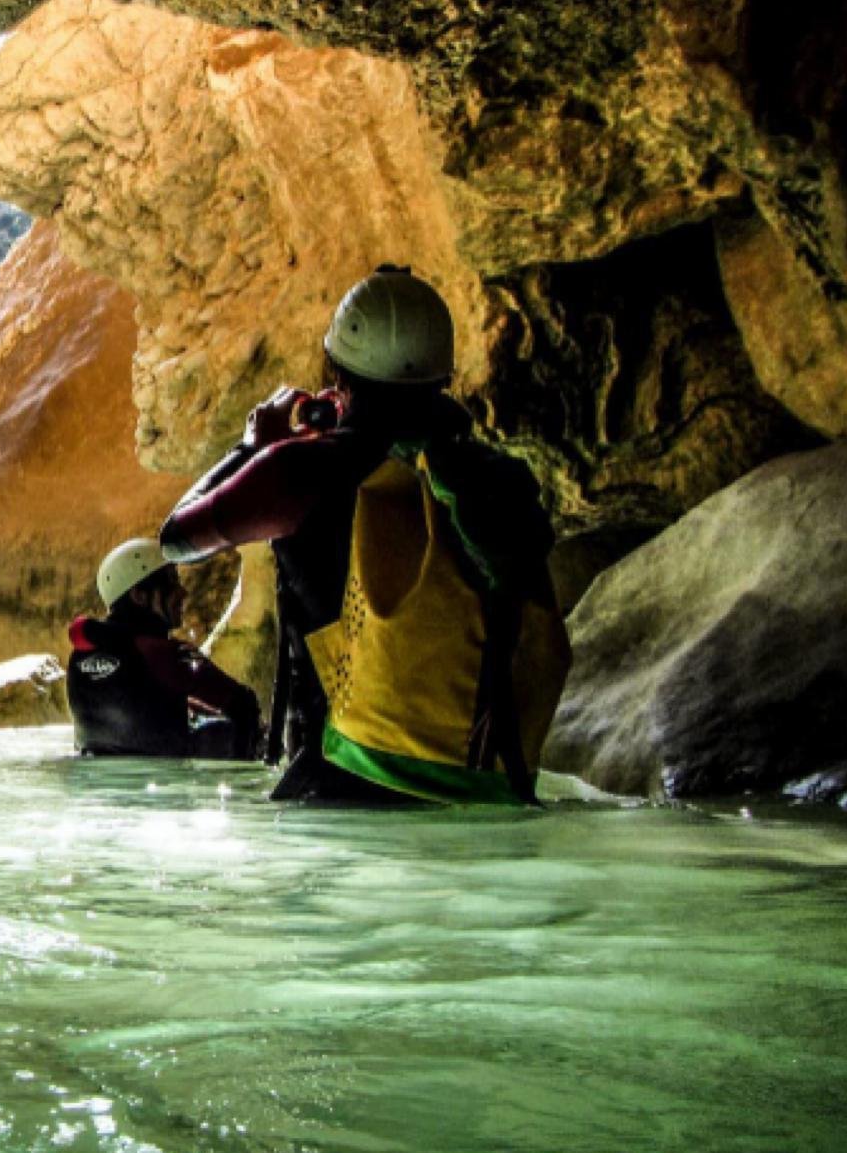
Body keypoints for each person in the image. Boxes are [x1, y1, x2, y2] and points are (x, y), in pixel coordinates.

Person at [160, 266, 571, 805]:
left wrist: (253, 446)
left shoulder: (300, 472)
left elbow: (176, 539)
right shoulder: (493, 478)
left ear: (337, 369)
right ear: (443, 374)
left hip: (343, 786)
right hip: (490, 790)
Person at [67, 538, 262, 759]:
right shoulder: (163, 653)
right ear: (139, 596)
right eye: (170, 582)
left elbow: (141, 703)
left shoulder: (80, 655)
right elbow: (241, 702)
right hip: (162, 783)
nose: (182, 592)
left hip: (100, 781)